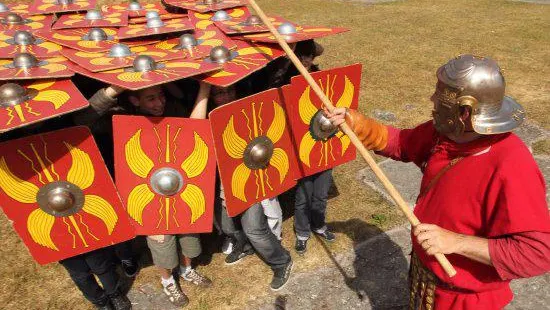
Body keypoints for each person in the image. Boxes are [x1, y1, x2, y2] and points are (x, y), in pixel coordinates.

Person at [326, 54, 550, 309]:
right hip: (425, 281)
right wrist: (356, 123)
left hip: (466, 301)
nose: (432, 99)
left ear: (465, 111)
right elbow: (401, 143)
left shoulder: (511, 164)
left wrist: (456, 242)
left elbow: (536, 253)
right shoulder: (446, 134)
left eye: (440, 95)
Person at [73, 83, 211, 308]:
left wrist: (204, 88)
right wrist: (114, 89)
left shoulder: (173, 110)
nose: (159, 103)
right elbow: (81, 120)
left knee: (190, 238)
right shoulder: (118, 119)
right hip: (148, 194)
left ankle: (187, 270)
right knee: (162, 243)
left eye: (160, 96)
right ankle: (168, 281)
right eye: (151, 99)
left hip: (181, 187)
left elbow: (195, 128)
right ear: (136, 101)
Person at [191, 82, 293, 291]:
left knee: (254, 228)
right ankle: (245, 246)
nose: (226, 96)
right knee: (228, 227)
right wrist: (204, 89)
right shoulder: (208, 115)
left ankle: (281, 261)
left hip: (247, 178)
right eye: (219, 93)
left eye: (229, 90)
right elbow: (193, 129)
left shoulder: (248, 113)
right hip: (220, 182)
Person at [59, 247, 131, 310]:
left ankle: (114, 294)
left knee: (101, 266)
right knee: (81, 276)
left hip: (88, 238)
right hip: (62, 243)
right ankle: (101, 302)